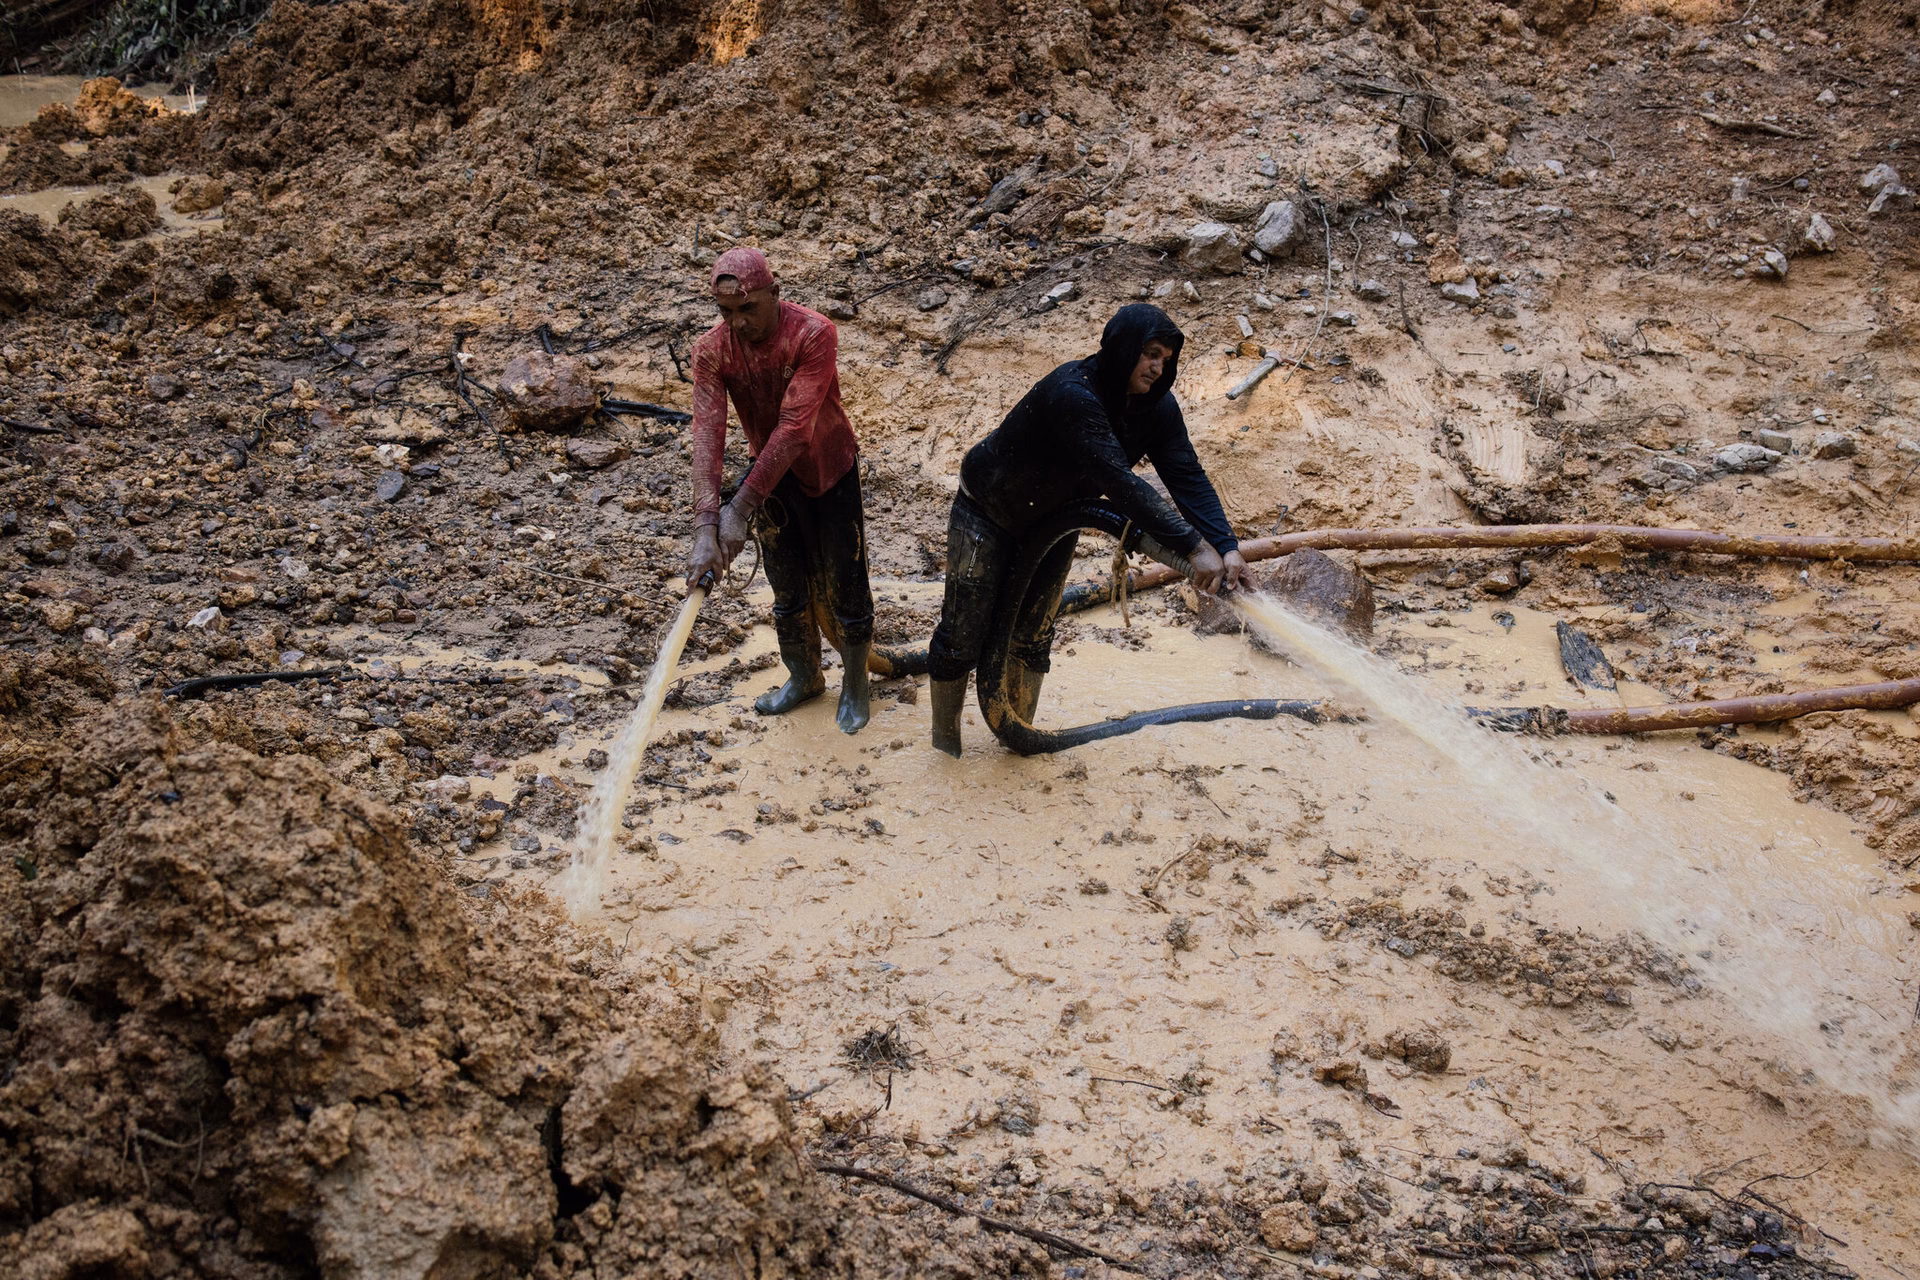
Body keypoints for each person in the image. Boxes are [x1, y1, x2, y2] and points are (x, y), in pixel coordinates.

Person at [927, 302, 1249, 756]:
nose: (1158, 368)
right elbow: (1117, 481)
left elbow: (1186, 475)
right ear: (1123, 348)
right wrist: (1193, 548)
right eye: (1150, 354)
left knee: (1035, 635)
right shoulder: (1073, 394)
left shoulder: (1157, 409)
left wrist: (1226, 545)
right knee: (963, 634)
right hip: (989, 512)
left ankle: (1016, 740)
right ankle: (945, 746)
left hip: (1056, 520)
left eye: (1166, 359)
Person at [685, 247, 874, 734]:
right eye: (726, 312)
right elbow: (707, 434)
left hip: (829, 466)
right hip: (769, 476)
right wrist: (707, 524)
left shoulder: (813, 333)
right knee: (785, 581)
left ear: (775, 294)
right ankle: (805, 676)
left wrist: (738, 509)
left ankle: (856, 683)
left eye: (748, 309)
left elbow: (794, 428)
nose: (738, 323)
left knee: (846, 579)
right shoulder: (711, 349)